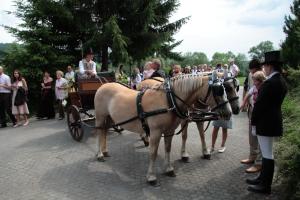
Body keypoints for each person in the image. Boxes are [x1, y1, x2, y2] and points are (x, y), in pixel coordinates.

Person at [247, 51, 287, 194]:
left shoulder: (270, 83)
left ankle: (265, 185)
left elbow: (259, 105)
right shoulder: (280, 81)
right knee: (266, 153)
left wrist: (254, 122)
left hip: (266, 123)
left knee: (267, 154)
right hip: (272, 120)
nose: (264, 68)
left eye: (265, 65)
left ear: (270, 66)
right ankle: (262, 179)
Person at [240, 59, 263, 173]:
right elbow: (248, 89)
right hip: (251, 109)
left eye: (252, 69)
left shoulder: (263, 76)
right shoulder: (251, 75)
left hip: (260, 111)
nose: (251, 72)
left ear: (257, 68)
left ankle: (259, 163)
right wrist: (244, 103)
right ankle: (252, 156)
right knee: (251, 135)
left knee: (259, 136)